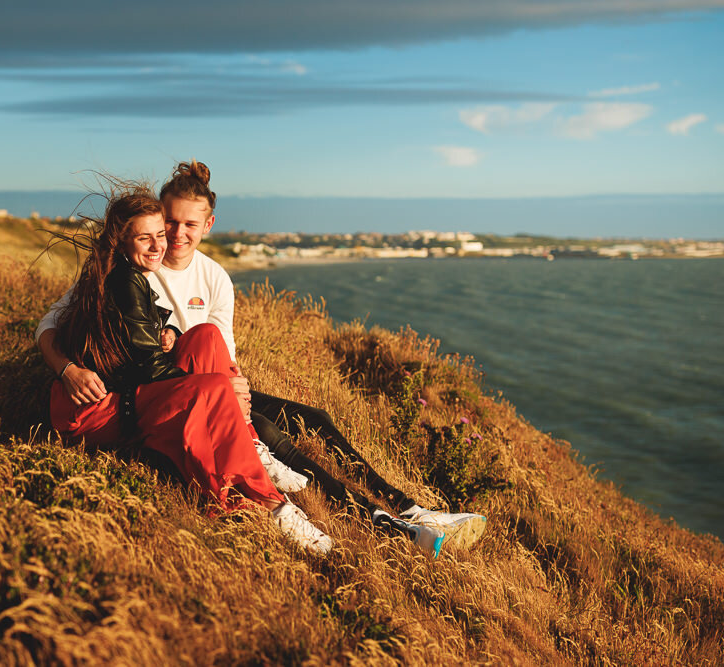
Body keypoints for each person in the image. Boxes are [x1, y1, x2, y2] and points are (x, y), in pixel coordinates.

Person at [38, 163, 487, 555]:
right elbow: (50, 326)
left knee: (316, 419)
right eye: (167, 223)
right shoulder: (119, 270)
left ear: (208, 224)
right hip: (160, 388)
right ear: (154, 216)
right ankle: (385, 525)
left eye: (188, 226)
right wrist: (68, 368)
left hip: (198, 376)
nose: (174, 236)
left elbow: (220, 350)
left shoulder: (212, 276)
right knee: (277, 438)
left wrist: (231, 383)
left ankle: (408, 506)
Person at [43, 187, 332, 555]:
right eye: (146, 237)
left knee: (206, 336)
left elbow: (140, 343)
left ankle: (247, 445)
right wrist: (66, 368)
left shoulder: (137, 275)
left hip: (126, 391)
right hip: (94, 408)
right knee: (211, 390)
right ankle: (270, 504)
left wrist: (171, 336)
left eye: (159, 235)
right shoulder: (119, 280)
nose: (159, 245)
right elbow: (143, 364)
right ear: (120, 239)